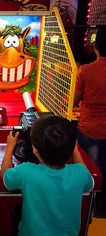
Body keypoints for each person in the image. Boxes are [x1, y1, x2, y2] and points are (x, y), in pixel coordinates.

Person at [0, 115, 94, 236]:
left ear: (35, 149)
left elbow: (5, 177)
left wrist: (9, 147)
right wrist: (74, 150)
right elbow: (87, 179)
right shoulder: (80, 173)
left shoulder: (26, 172)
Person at [74, 28, 106, 212]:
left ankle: (88, 205)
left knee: (89, 168)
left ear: (95, 46)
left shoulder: (85, 70)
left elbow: (76, 100)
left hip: (90, 128)